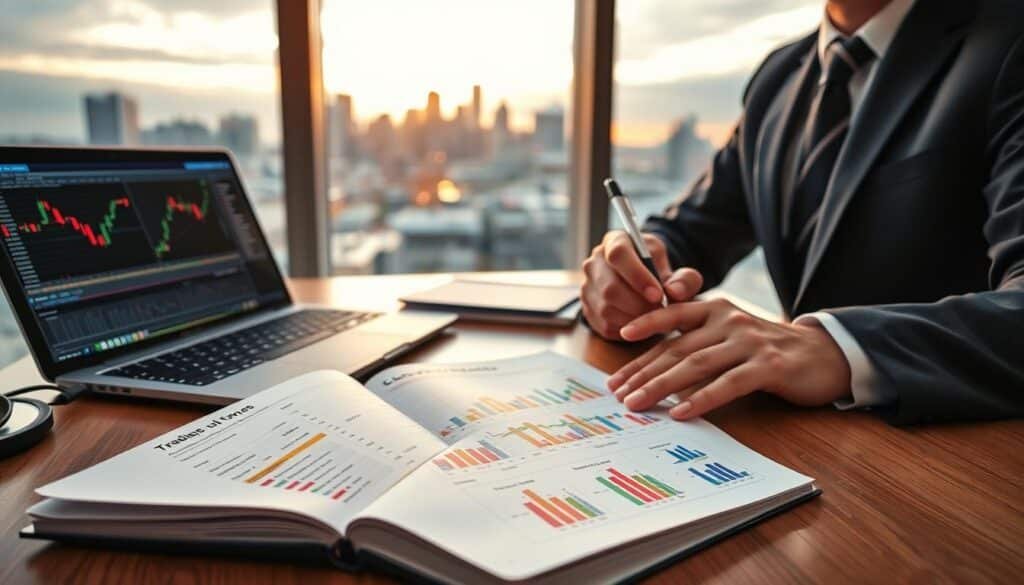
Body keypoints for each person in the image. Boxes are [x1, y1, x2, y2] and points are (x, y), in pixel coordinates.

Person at [581, 0, 1024, 425]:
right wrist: (634, 273)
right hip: (803, 440)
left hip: (954, 457)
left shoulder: (1007, 40)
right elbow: (695, 228)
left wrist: (836, 347)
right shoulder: (780, 75)